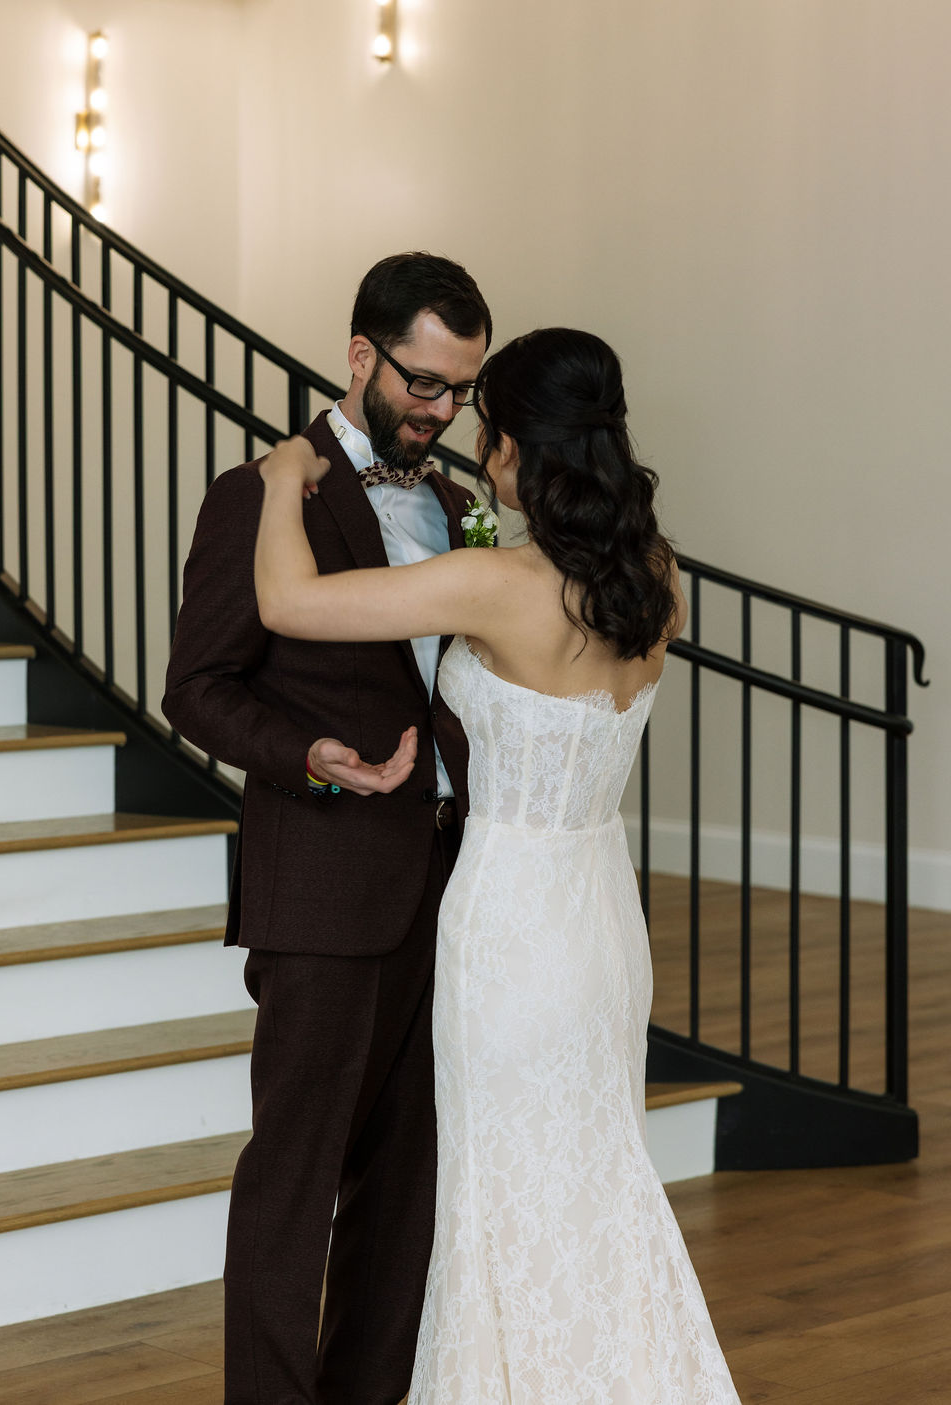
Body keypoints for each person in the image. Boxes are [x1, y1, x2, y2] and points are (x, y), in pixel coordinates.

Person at [254, 327, 742, 1403]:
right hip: (603, 921)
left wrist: (286, 475)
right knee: (595, 1179)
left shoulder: (495, 582)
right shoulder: (656, 578)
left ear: (512, 444)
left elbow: (288, 604)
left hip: (512, 928)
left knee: (499, 1193)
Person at [162, 252, 491, 1404]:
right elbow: (197, 687)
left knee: (406, 1182)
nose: (441, 412)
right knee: (295, 1178)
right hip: (321, 881)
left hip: (449, 886)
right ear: (361, 357)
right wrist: (306, 756)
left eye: (460, 390)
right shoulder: (261, 494)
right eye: (422, 383)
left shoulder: (458, 508)